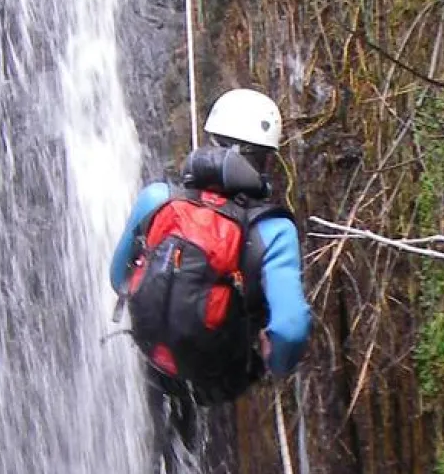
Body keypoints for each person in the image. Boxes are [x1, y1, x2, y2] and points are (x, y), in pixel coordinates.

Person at [109, 88, 311, 454]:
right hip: (222, 374)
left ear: (210, 141)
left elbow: (118, 278)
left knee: (162, 438)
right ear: (266, 159)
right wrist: (275, 363)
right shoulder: (272, 230)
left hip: (155, 353)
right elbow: (291, 328)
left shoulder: (158, 198)